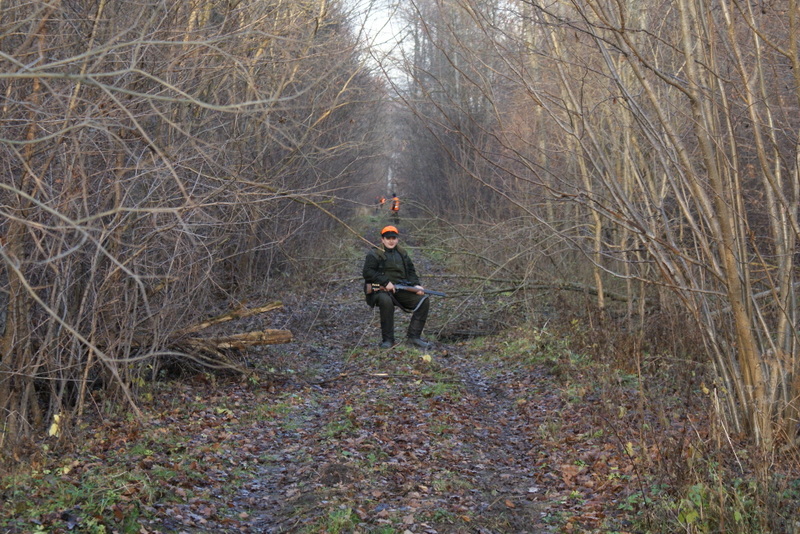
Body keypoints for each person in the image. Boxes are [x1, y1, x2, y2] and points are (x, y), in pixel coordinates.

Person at [362, 226, 431, 349]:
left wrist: (416, 284)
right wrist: (385, 282)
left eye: (393, 238)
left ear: (397, 239)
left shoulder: (402, 253)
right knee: (386, 301)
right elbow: (367, 272)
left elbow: (411, 271)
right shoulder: (374, 254)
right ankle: (388, 340)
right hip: (378, 289)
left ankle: (414, 337)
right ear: (382, 239)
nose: (391, 241)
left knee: (423, 300)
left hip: (400, 289)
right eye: (388, 238)